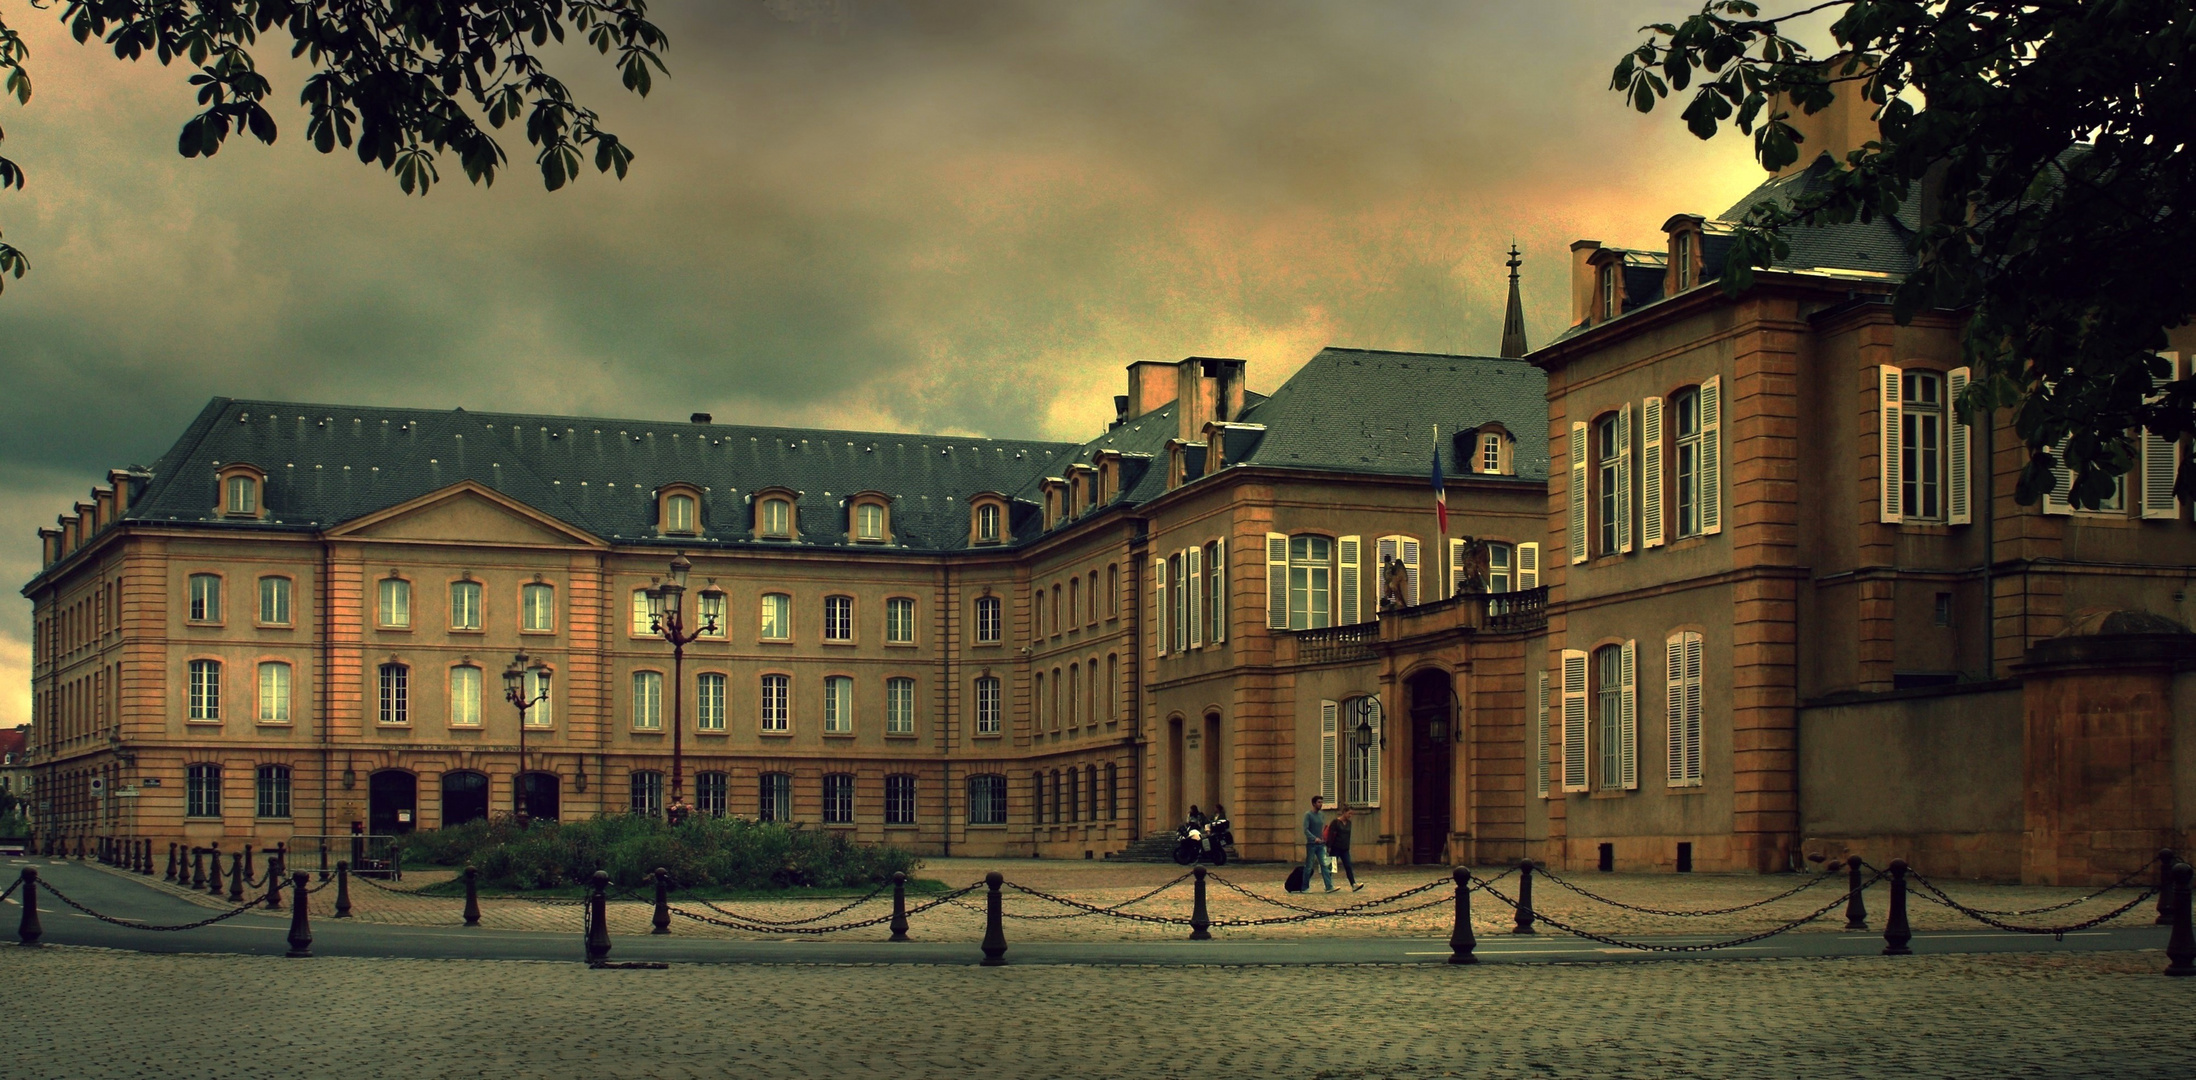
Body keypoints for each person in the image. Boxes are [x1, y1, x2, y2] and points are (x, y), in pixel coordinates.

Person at [1325, 806, 1363, 891]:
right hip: (1335, 847)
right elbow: (1331, 835)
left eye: (1351, 814)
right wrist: (1329, 846)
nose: (1350, 815)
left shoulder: (1349, 823)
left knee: (1348, 866)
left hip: (1345, 848)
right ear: (1344, 812)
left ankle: (1353, 884)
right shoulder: (1335, 822)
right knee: (1331, 867)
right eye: (1349, 813)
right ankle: (1328, 885)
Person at [1302, 795, 1334, 893]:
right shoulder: (1308, 815)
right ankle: (1304, 887)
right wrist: (1313, 838)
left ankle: (1329, 886)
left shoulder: (1321, 815)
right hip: (1311, 844)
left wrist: (1323, 838)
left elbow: (1322, 829)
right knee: (1309, 866)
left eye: (1321, 802)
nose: (1321, 804)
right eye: (1319, 802)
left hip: (1321, 844)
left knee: (1325, 864)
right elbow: (1305, 829)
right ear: (1314, 804)